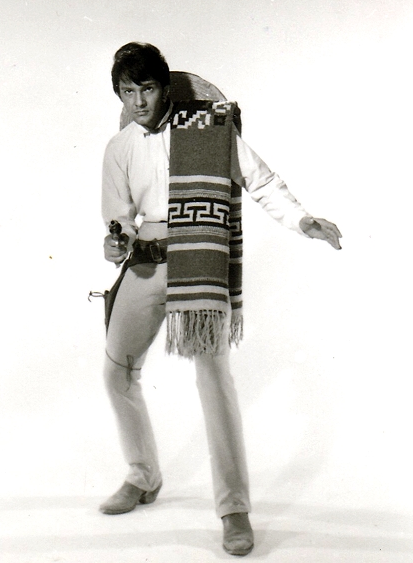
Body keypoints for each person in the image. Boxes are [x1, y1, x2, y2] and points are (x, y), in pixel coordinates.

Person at [98, 42, 341, 557]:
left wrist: (303, 220)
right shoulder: (118, 148)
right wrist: (114, 242)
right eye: (127, 91)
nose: (138, 101)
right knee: (117, 372)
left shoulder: (210, 131)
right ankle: (143, 475)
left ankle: (234, 510)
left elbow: (261, 180)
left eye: (147, 88)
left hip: (200, 261)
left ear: (165, 87)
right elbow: (118, 219)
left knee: (213, 379)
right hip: (145, 263)